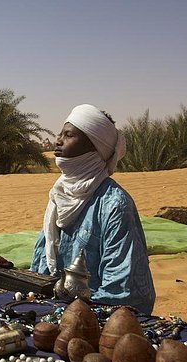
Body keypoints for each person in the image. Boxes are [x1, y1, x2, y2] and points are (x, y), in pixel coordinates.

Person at [30, 104, 156, 314]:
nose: (58, 140)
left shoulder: (114, 204)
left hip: (96, 316)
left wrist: (73, 311)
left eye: (69, 135)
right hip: (53, 308)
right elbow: (43, 266)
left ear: (93, 146)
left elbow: (123, 291)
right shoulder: (59, 194)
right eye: (60, 134)